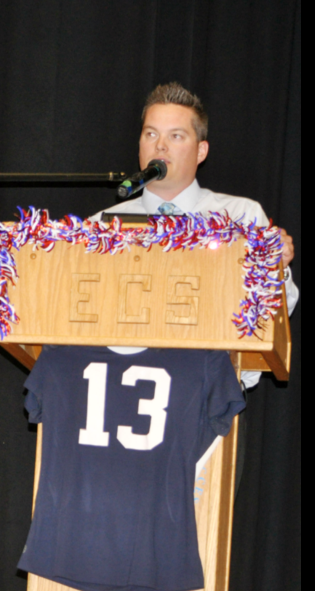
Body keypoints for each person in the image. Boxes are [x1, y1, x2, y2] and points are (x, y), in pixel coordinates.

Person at [98, 82, 299, 386]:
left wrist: (277, 269)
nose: (160, 146)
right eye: (151, 134)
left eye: (175, 136)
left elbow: (274, 315)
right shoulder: (102, 225)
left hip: (207, 391)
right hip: (112, 387)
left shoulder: (241, 216)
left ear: (201, 150)